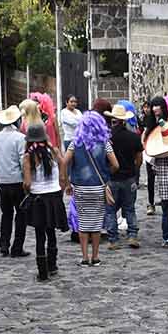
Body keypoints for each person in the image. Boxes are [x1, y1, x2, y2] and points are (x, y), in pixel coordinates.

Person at [63, 111, 118, 267]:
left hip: (80, 187)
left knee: (83, 223)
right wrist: (106, 175)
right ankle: (95, 257)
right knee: (96, 223)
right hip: (98, 187)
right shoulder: (104, 143)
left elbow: (64, 162)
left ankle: (84, 257)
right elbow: (116, 165)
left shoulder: (75, 143)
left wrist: (66, 182)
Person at [21, 122, 68, 282]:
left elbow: (27, 183)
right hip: (54, 195)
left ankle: (42, 272)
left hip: (38, 197)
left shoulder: (28, 156)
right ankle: (53, 266)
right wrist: (61, 183)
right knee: (52, 232)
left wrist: (27, 191)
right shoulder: (53, 151)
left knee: (40, 235)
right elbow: (63, 164)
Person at [0, 105, 29, 258]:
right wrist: (26, 180)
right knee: (21, 214)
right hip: (17, 181)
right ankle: (17, 247)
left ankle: (3, 245)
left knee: (6, 214)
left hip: (2, 181)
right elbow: (23, 161)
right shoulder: (20, 138)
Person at [105, 106, 143, 250]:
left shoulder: (107, 138)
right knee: (130, 208)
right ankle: (132, 235)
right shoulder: (133, 137)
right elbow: (139, 158)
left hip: (112, 177)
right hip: (129, 177)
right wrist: (135, 170)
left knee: (110, 210)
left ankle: (113, 239)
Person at [144, 119, 168, 248]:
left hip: (163, 188)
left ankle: (165, 237)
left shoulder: (157, 156)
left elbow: (154, 169)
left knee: (165, 214)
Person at [141, 97, 168, 216]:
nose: (154, 108)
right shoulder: (150, 120)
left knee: (167, 179)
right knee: (151, 179)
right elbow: (146, 135)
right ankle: (151, 203)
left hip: (165, 153)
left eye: (157, 105)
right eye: (153, 106)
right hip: (152, 153)